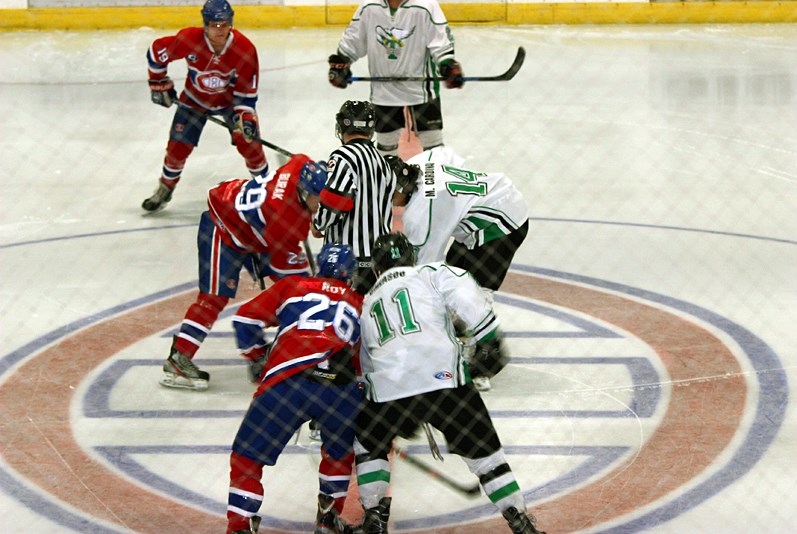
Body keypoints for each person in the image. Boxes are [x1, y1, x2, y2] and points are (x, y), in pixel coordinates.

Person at [354, 232, 545, 534]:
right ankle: (519, 519)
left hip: (390, 386)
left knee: (368, 445)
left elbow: (366, 363)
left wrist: (380, 395)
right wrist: (488, 335)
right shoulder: (428, 273)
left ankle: (374, 516)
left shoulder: (367, 302)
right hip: (444, 380)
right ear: (411, 257)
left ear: (376, 269)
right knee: (487, 456)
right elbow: (464, 291)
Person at [226, 243, 364, 534]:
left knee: (246, 458)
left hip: (286, 381)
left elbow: (244, 320)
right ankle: (328, 520)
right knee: (338, 455)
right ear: (350, 276)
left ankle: (239, 525)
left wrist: (258, 356)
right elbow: (364, 362)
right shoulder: (359, 302)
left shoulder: (293, 285)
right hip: (340, 390)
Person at [158, 154, 327, 391]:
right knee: (214, 297)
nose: (322, 206)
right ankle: (179, 359)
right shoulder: (285, 223)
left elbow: (297, 158)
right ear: (304, 193)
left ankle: (260, 352)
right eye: (318, 201)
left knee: (293, 292)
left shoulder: (300, 165)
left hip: (250, 224)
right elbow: (290, 282)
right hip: (224, 226)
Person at [386, 147, 530, 391]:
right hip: (498, 199)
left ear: (399, 188)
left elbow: (425, 270)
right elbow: (447, 154)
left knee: (473, 288)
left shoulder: (420, 214)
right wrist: (460, 201)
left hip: (502, 224)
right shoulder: (422, 161)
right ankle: (459, 326)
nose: (388, 201)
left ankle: (488, 354)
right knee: (454, 278)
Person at [142, 0, 268, 212]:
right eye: (214, 24)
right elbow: (156, 52)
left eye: (224, 24)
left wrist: (245, 120)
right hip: (194, 100)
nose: (220, 30)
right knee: (177, 147)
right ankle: (165, 187)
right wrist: (158, 83)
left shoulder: (245, 49)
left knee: (250, 143)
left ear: (231, 24)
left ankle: (267, 189)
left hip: (231, 104)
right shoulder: (189, 40)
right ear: (205, 25)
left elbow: (246, 95)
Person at [327, 0, 465, 157]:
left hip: (421, 89)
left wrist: (447, 65)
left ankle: (437, 179)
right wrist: (342, 62)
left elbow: (441, 42)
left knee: (434, 147)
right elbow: (353, 39)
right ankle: (389, 179)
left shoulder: (426, 6)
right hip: (384, 91)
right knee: (386, 147)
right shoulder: (369, 6)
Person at [312, 100, 397, 294]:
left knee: (341, 315)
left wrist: (318, 225)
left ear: (341, 126)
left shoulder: (342, 157)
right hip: (378, 263)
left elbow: (335, 200)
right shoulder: (384, 164)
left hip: (346, 262)